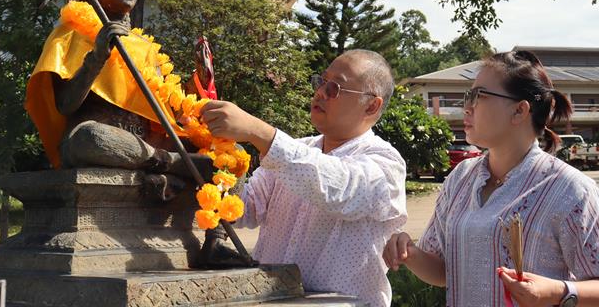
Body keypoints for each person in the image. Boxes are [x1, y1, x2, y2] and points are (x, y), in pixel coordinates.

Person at [384, 50, 599, 307]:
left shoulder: (569, 190)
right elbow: (444, 272)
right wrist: (410, 253)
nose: (466, 107)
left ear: (520, 111)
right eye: (468, 95)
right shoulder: (460, 178)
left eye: (479, 96)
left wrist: (557, 292)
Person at [201, 49, 407, 307]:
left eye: (334, 88)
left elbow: (339, 189)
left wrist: (258, 131)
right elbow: (244, 211)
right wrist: (221, 157)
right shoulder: (296, 150)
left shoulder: (386, 162)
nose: (320, 92)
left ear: (371, 105)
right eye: (321, 82)